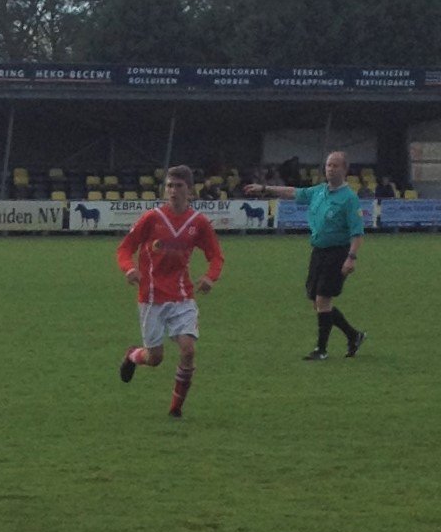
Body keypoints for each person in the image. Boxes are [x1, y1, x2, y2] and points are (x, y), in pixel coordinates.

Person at [117, 165, 225, 418]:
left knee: (188, 350)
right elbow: (124, 249)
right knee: (155, 358)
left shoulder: (198, 223)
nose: (173, 191)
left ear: (190, 190)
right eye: (169, 186)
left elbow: (216, 256)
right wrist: (129, 269)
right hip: (151, 297)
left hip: (182, 296)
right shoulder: (152, 218)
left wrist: (211, 277)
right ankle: (133, 355)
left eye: (178, 186)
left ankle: (176, 408)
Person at [246, 151, 367, 361]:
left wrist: (351, 257)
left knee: (322, 299)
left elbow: (357, 232)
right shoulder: (319, 191)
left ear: (345, 170)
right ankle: (354, 335)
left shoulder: (349, 199)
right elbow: (294, 192)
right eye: (328, 165)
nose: (330, 169)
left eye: (335, 166)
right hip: (318, 252)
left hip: (337, 252)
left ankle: (321, 349)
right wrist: (265, 189)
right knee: (318, 303)